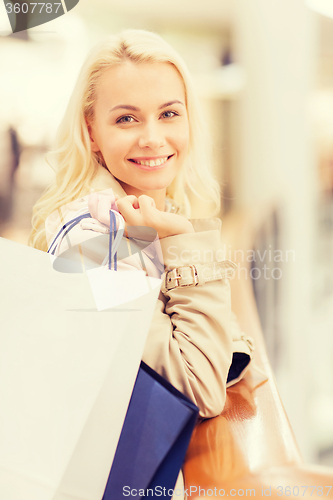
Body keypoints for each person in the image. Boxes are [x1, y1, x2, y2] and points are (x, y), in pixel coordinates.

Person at [29, 29, 253, 421]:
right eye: (127, 118)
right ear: (92, 132)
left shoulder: (156, 214)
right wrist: (183, 239)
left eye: (168, 113)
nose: (152, 138)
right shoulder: (92, 240)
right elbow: (197, 390)